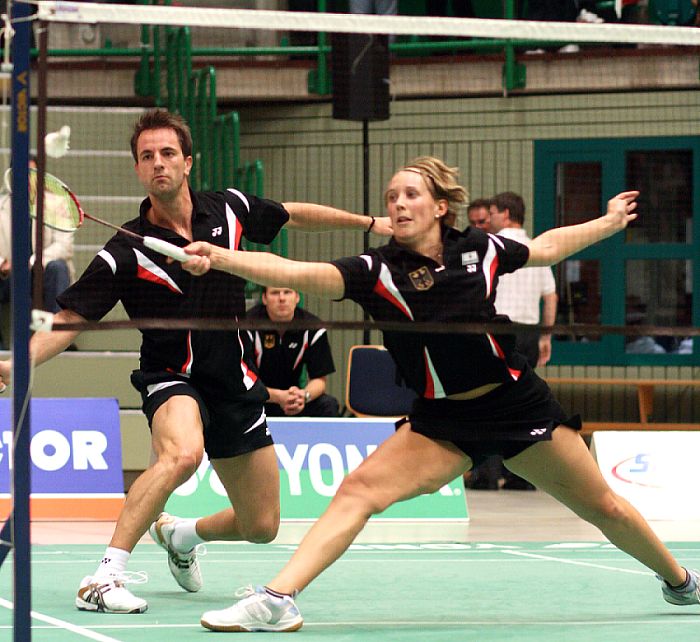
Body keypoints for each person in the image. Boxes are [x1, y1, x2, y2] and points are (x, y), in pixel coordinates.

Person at [179, 156, 699, 632]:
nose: (398, 204)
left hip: (517, 404)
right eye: (391, 197)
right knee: (360, 489)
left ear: (439, 206)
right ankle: (278, 599)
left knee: (603, 506)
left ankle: (680, 582)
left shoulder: (481, 248)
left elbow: (547, 248)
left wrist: (608, 223)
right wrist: (224, 258)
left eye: (410, 194)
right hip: (441, 422)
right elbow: (299, 273)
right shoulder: (377, 270)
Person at [0, 108, 392, 615]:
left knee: (261, 526)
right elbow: (71, 317)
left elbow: (291, 213)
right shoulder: (124, 250)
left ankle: (183, 535)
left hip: (234, 378)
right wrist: (17, 364)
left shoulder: (227, 209)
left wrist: (369, 223)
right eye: (147, 156)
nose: (158, 163)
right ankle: (105, 576)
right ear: (138, 170)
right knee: (182, 454)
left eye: (167, 153)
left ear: (188, 162)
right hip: (171, 376)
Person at [483, 191, 559, 491]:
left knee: (488, 399)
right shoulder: (536, 248)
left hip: (498, 330)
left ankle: (486, 473)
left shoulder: (492, 246)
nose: (489, 219)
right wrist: (546, 336)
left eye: (492, 213)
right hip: (528, 332)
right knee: (522, 402)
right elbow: (550, 295)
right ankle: (521, 476)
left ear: (505, 214)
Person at [0, 157, 74, 346]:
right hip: (9, 276)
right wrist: (2, 262)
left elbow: (64, 246)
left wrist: (32, 262)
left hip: (43, 271)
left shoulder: (57, 204)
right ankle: (19, 343)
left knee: (58, 268)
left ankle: (56, 339)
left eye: (33, 174)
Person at [247, 286, 339, 417]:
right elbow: (241, 381)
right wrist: (278, 397)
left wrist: (303, 396)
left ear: (297, 297)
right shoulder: (245, 326)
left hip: (294, 401)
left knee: (328, 405)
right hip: (258, 399)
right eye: (275, 293)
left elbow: (319, 380)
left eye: (287, 292)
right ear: (264, 298)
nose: (282, 298)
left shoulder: (313, 327)